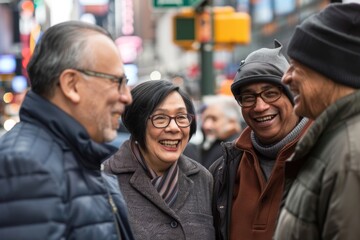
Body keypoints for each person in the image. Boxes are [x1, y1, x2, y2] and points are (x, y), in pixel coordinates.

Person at [0, 21, 135, 239]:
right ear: (71, 85)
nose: (127, 97)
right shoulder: (27, 166)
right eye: (117, 81)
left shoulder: (82, 157)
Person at [210, 40, 312, 240]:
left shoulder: (324, 155)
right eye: (248, 97)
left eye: (271, 93)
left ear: (293, 94)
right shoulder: (225, 168)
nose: (260, 106)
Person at [274, 3, 360, 239]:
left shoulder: (352, 154)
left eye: (296, 65)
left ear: (332, 70)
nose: (286, 77)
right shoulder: (337, 140)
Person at [103, 80, 215, 240]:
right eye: (160, 118)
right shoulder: (107, 179)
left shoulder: (202, 179)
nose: (174, 128)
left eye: (181, 117)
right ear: (137, 124)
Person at [186, 95, 245, 169]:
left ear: (232, 122)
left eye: (214, 119)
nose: (206, 126)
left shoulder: (235, 151)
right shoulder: (214, 145)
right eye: (205, 119)